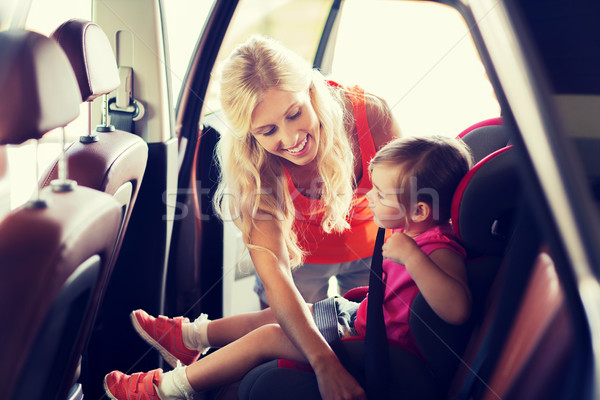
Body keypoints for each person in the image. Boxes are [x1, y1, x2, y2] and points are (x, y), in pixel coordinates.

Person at [103, 135, 474, 400]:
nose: (368, 197)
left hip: (383, 350)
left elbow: (457, 310)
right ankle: (190, 339)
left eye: (379, 193)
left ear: (421, 210)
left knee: (270, 336)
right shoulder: (409, 232)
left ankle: (164, 389)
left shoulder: (438, 249)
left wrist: (412, 258)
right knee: (279, 314)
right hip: (362, 320)